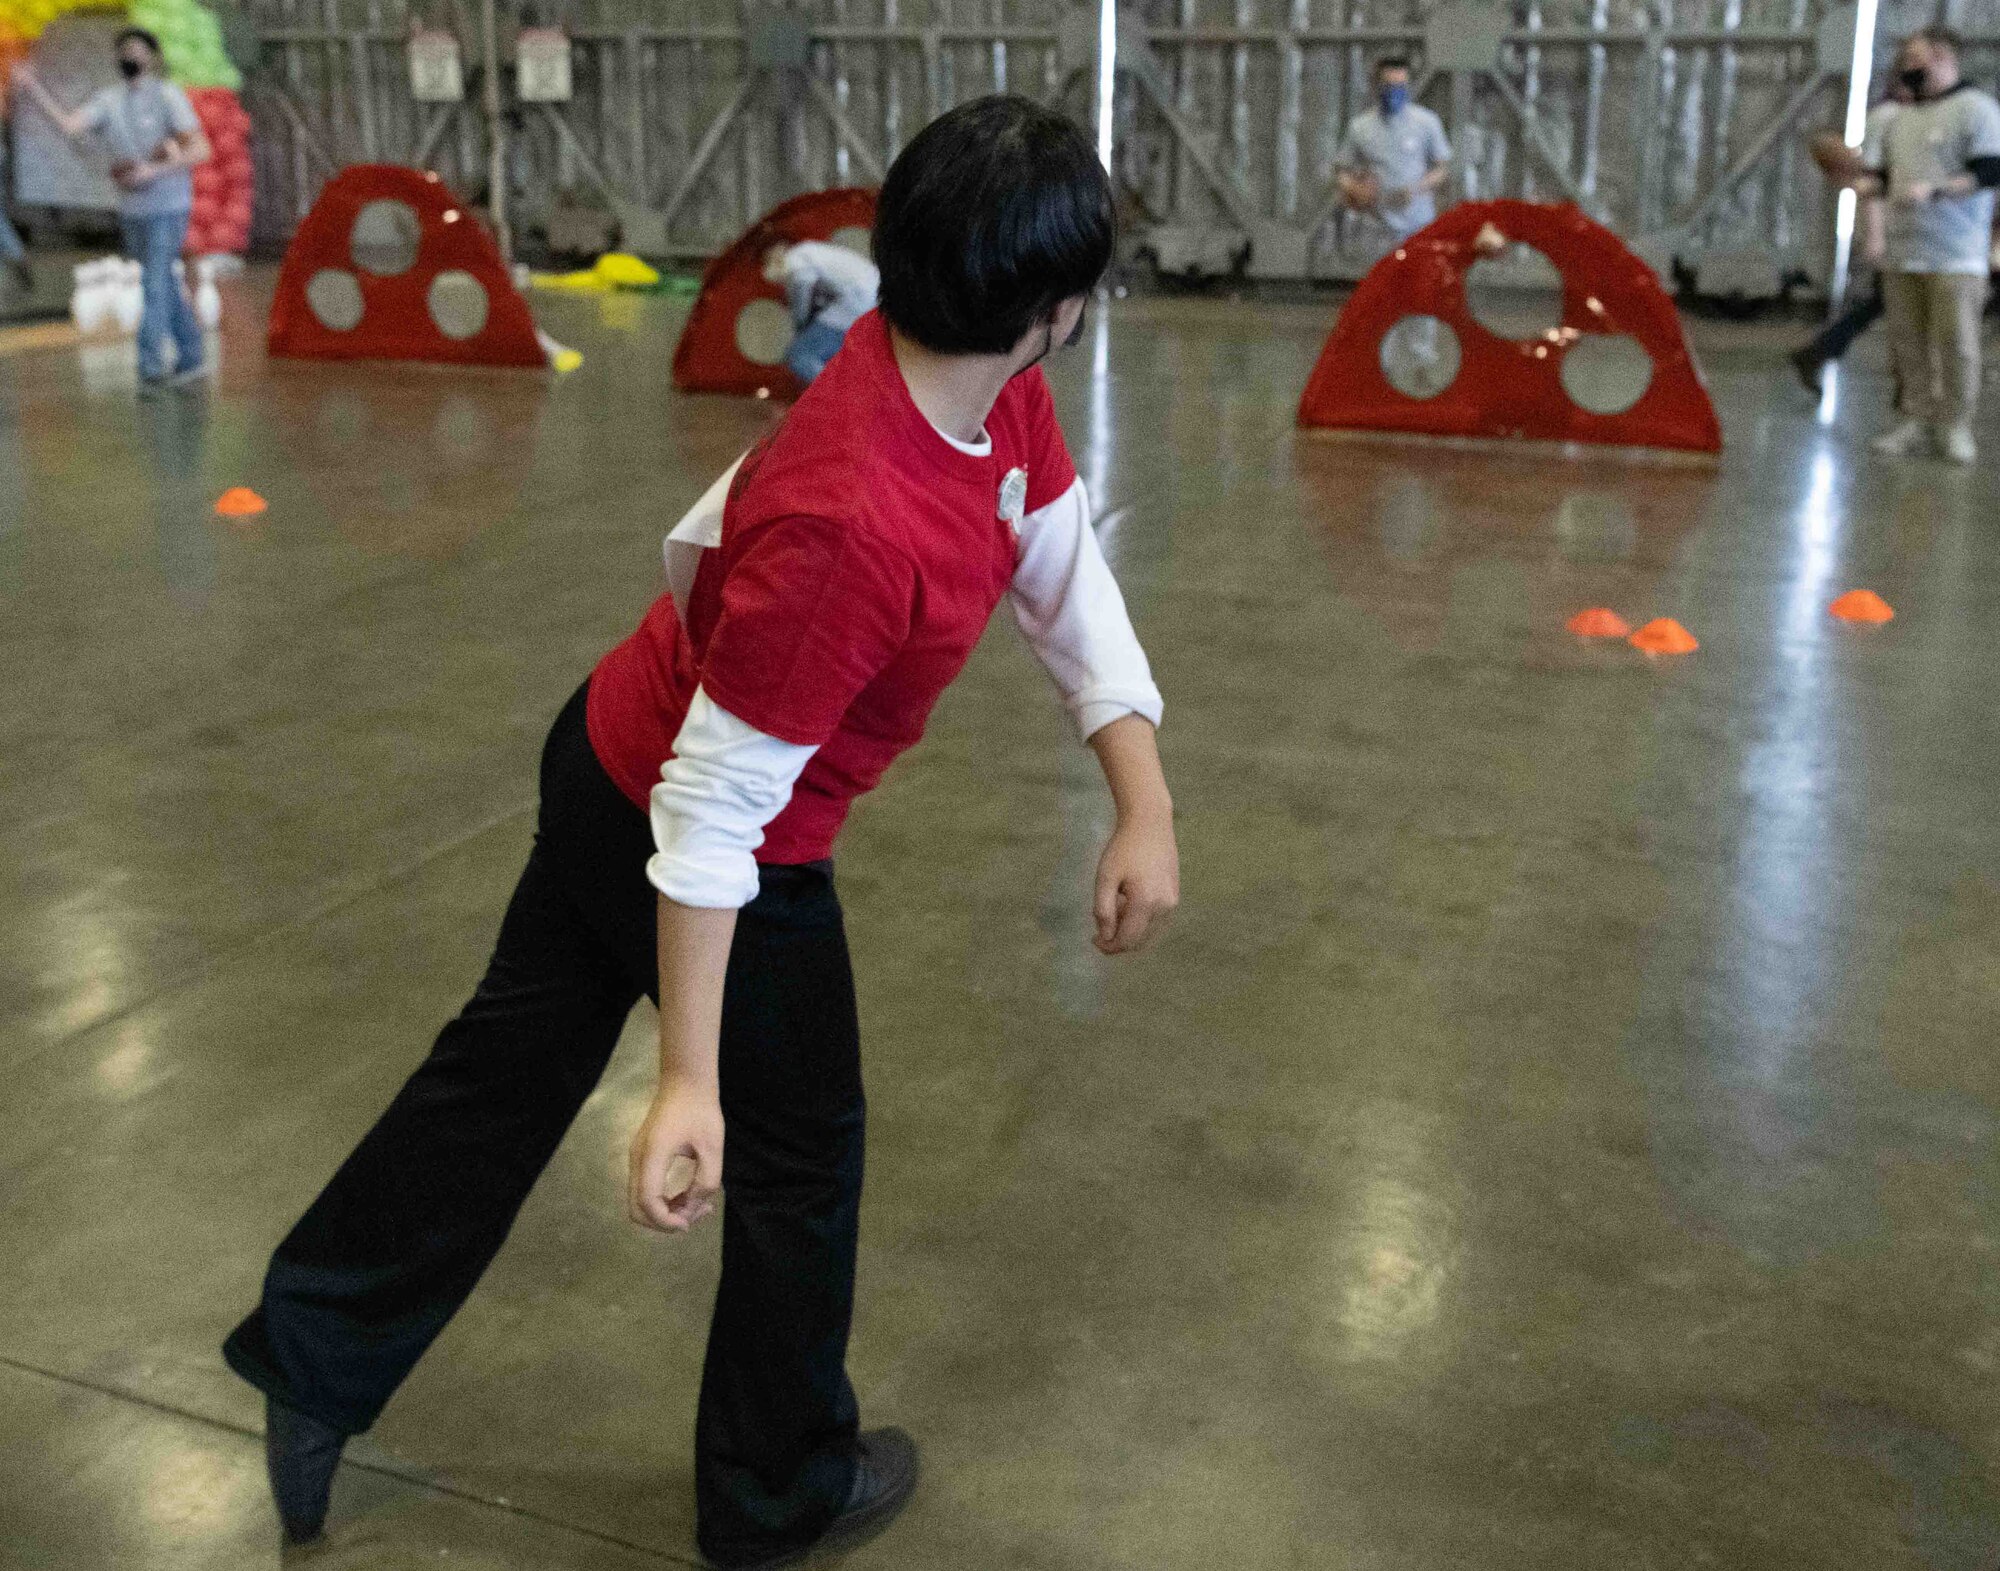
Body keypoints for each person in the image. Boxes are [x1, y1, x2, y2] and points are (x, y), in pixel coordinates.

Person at [220, 93, 1178, 1571]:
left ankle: (311, 1351)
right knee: (802, 1151)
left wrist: (1142, 792)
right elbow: (716, 814)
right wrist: (686, 1080)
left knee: (501, 1072)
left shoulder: (968, 383)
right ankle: (773, 1489)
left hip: (607, 742)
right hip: (693, 823)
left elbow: (1057, 559)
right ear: (1054, 311)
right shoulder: (855, 524)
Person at [1837, 27, 2000, 463]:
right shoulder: (1896, 119)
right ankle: (1915, 417)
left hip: (1957, 253)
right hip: (1903, 250)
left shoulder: (1977, 111)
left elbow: (1988, 171)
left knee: (1958, 344)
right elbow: (1883, 177)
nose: (1907, 67)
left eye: (1916, 57)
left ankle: (1955, 424)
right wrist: (1863, 186)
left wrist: (1938, 190)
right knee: (1907, 342)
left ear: (1944, 56)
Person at [13, 30, 210, 388]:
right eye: (124, 52)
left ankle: (149, 368)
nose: (129, 58)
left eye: (136, 52)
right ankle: (193, 355)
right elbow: (70, 126)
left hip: (168, 205)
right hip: (133, 209)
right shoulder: (109, 100)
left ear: (153, 58)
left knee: (153, 283)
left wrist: (156, 169)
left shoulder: (168, 96)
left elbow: (200, 149)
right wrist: (32, 87)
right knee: (161, 280)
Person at [1792, 62, 1918, 393]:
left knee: (1885, 305)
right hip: (1900, 234)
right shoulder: (1893, 120)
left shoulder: (1904, 120)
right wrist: (1875, 234)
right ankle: (1823, 351)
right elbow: (1871, 181)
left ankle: (1822, 350)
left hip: (1908, 232)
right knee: (1897, 308)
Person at [1336, 56, 1452, 262]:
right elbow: (1341, 171)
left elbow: (1442, 169)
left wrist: (1416, 188)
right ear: (1377, 86)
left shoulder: (1426, 122)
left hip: (1418, 225)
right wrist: (1355, 189)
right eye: (1389, 85)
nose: (1394, 92)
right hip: (1376, 229)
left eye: (1400, 86)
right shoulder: (1360, 127)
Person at [761, 238, 880, 385]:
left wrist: (800, 327)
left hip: (858, 301)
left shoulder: (795, 258)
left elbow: (802, 297)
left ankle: (839, 394)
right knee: (830, 352)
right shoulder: (813, 252)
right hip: (870, 302)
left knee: (800, 354)